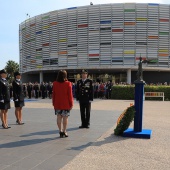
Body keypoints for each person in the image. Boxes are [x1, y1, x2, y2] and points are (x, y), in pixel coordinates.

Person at [52, 70, 73, 138]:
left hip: (57, 103)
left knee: (58, 117)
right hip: (65, 103)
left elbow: (53, 94)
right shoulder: (68, 83)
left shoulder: (55, 83)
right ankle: (64, 131)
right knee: (65, 118)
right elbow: (70, 95)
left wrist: (53, 102)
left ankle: (60, 130)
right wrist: (71, 103)